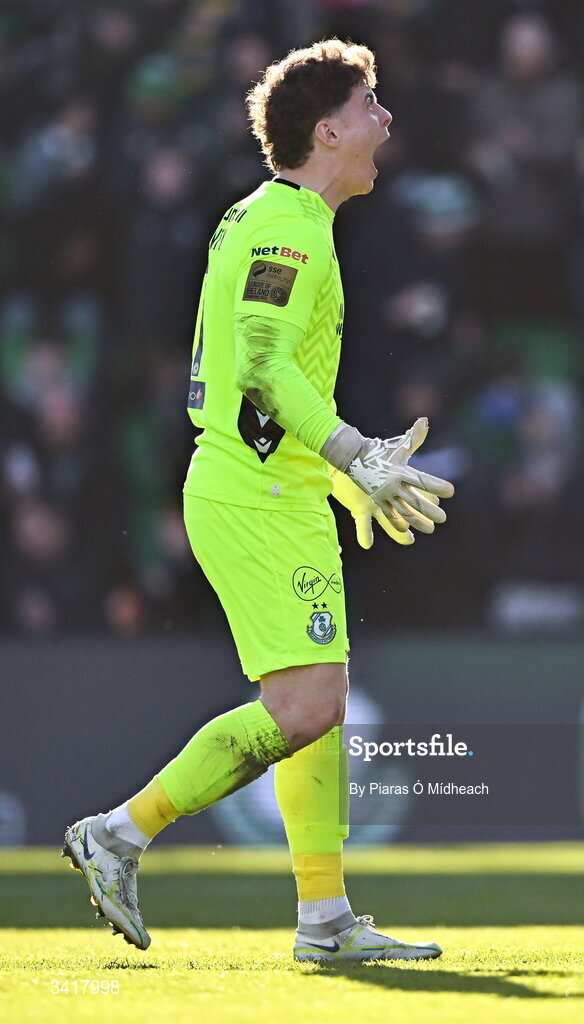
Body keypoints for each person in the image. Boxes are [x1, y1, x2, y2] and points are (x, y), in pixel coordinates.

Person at [62, 39, 453, 964]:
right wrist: (353, 452)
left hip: (276, 488)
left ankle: (323, 920)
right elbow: (268, 369)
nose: (385, 121)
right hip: (250, 496)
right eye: (371, 106)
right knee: (309, 702)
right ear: (328, 130)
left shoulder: (273, 216)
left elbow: (256, 378)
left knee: (317, 699)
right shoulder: (287, 231)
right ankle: (117, 834)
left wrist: (332, 474)